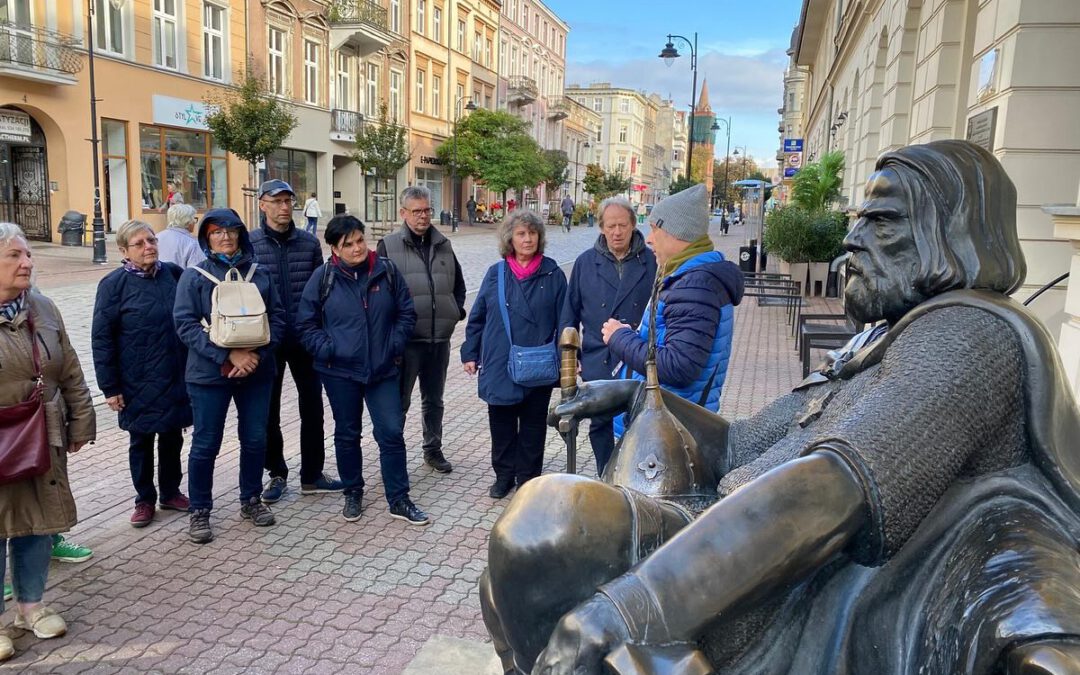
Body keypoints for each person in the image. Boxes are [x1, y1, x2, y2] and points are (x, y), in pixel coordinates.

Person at [481, 140, 1080, 675]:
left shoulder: (971, 334)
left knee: (548, 524)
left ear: (952, 232)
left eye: (882, 221)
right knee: (516, 565)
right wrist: (636, 394)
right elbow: (744, 443)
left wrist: (630, 607)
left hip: (782, 584)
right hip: (730, 527)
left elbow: (831, 488)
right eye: (858, 219)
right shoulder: (881, 334)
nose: (851, 240)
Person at [296, 215, 430, 526]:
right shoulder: (323, 277)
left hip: (382, 369)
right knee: (346, 433)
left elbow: (406, 313)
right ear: (334, 249)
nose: (358, 248)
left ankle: (399, 498)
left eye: (360, 240)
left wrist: (393, 345)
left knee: (391, 433)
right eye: (349, 244)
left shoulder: (387, 270)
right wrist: (328, 348)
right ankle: (353, 490)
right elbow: (305, 323)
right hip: (339, 372)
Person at [0, 222, 95, 659]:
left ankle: (31, 608)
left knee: (37, 525)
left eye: (28, 255)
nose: (28, 262)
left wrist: (81, 421)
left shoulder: (43, 307)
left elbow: (70, 368)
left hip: (42, 432)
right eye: (15, 256)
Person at [173, 208, 286, 544]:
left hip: (257, 371)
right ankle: (200, 510)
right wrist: (226, 355)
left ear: (240, 234)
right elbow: (185, 324)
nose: (225, 237)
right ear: (206, 237)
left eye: (231, 231)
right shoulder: (194, 276)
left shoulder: (259, 274)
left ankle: (250, 500)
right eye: (216, 232)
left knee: (254, 438)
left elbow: (278, 320)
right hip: (208, 374)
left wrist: (256, 356)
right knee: (206, 443)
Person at [600, 184, 743, 437]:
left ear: (677, 233)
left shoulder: (695, 286)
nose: (650, 238)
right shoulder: (687, 277)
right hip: (663, 424)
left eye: (656, 229)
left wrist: (620, 338)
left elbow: (679, 367)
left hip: (668, 433)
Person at [92, 220, 191, 529]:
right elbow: (102, 337)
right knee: (142, 439)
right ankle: (144, 499)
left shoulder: (173, 274)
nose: (149, 247)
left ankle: (171, 491)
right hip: (136, 379)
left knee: (173, 434)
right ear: (124, 250)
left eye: (151, 240)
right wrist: (110, 387)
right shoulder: (113, 285)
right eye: (140, 243)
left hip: (175, 372)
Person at [462, 210, 568, 499]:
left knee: (534, 426)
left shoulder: (553, 273)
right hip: (499, 359)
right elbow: (478, 317)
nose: (527, 239)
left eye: (532, 233)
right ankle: (504, 475)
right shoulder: (496, 274)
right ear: (510, 238)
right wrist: (470, 352)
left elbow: (565, 321)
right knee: (501, 422)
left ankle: (528, 478)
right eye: (521, 233)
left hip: (538, 362)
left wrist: (568, 359)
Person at [249, 179, 340, 505]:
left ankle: (312, 475)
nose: (285, 207)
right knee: (267, 411)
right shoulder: (250, 244)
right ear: (263, 205)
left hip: (304, 338)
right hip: (267, 340)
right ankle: (276, 472)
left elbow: (321, 289)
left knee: (313, 407)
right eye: (277, 201)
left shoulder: (307, 243)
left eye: (289, 200)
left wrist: (320, 330)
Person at [560, 196, 657, 475]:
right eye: (611, 226)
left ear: (632, 225)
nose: (617, 232)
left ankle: (634, 474)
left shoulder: (650, 261)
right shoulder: (585, 263)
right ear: (601, 227)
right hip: (597, 355)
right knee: (600, 421)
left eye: (623, 226)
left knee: (639, 420)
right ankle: (606, 471)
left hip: (636, 354)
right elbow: (570, 313)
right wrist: (570, 356)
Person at [377, 186, 466, 475]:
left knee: (434, 400)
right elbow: (378, 295)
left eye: (427, 210)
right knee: (399, 402)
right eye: (417, 211)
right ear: (403, 213)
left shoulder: (444, 244)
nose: (424, 216)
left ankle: (433, 449)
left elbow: (459, 286)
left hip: (438, 339)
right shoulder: (388, 246)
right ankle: (394, 454)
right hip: (406, 342)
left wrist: (455, 312)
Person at [157, 204, 206, 268]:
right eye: (194, 218)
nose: (194, 222)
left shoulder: (155, 237)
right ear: (188, 221)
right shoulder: (193, 243)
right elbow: (196, 273)